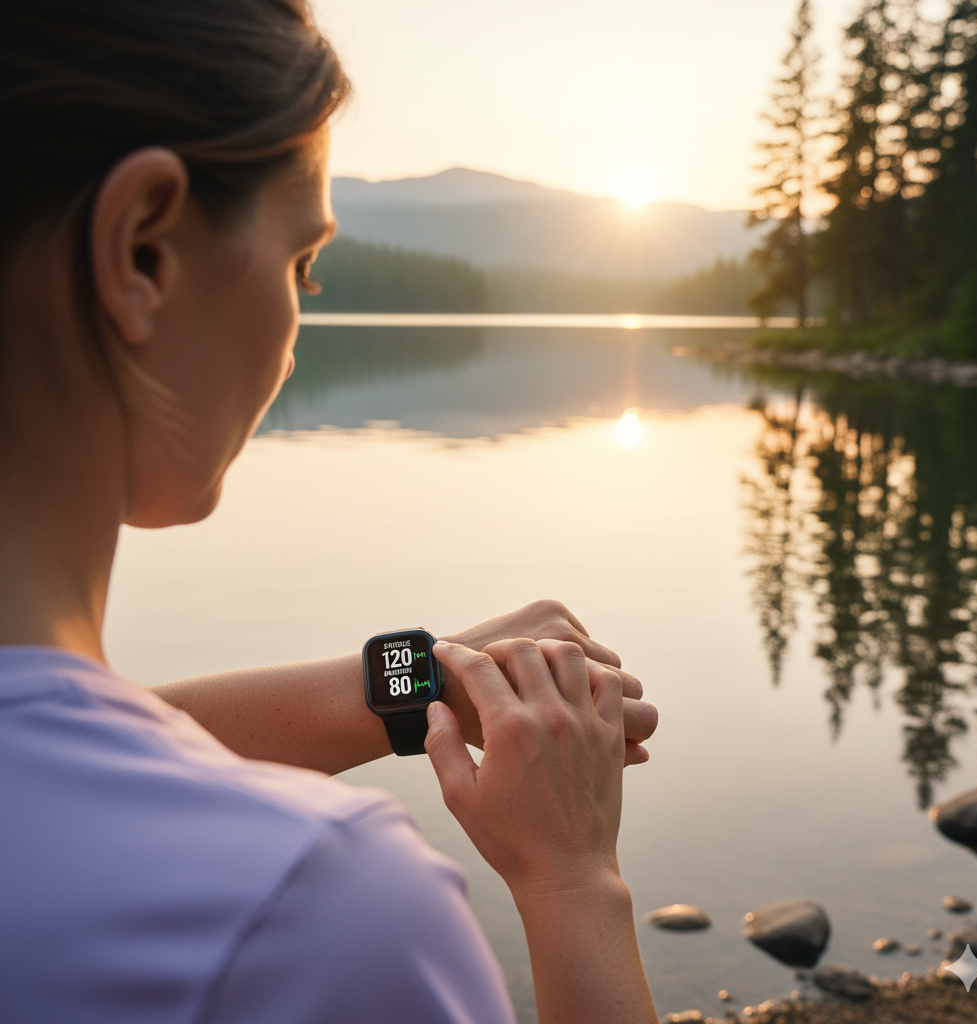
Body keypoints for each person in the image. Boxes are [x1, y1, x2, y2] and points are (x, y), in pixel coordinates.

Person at [0, 2, 660, 1022]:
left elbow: (58, 757)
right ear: (143, 252)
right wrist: (574, 879)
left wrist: (413, 680)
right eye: (301, 264)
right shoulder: (309, 909)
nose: (296, 327)